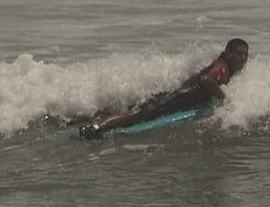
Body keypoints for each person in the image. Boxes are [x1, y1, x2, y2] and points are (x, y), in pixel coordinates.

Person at [79, 39, 249, 140]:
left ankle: (91, 117)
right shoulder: (222, 67)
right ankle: (97, 128)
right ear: (227, 52)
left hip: (177, 96)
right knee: (138, 114)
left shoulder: (223, 66)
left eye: (245, 55)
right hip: (177, 99)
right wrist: (223, 98)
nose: (242, 59)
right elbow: (205, 80)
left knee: (135, 109)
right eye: (238, 54)